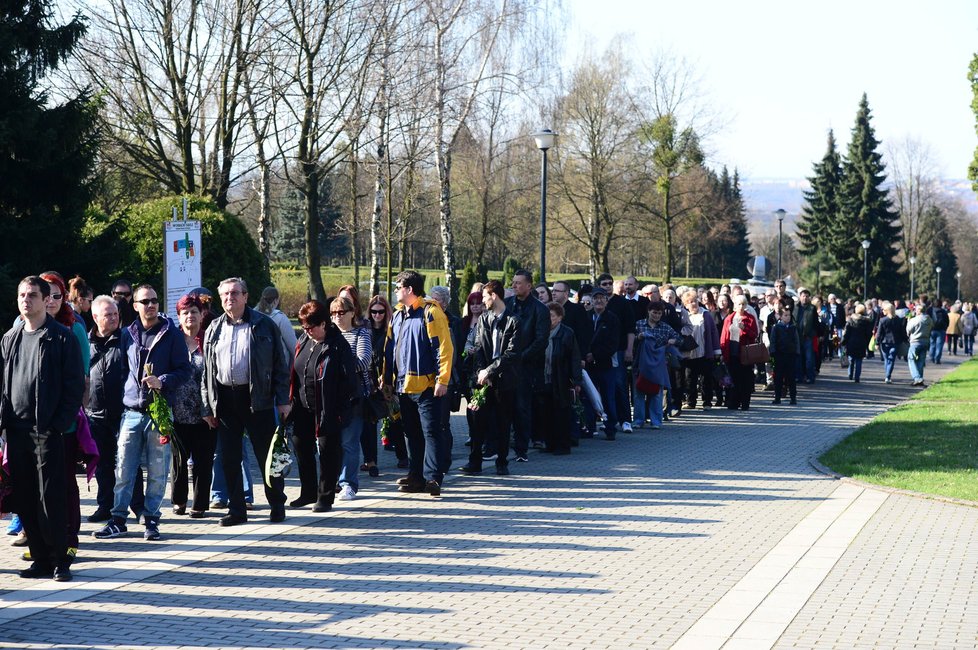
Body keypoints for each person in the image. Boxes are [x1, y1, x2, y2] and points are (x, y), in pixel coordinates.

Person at [1, 277, 84, 582]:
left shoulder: (62, 338)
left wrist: (58, 425)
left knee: (51, 498)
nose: (26, 300)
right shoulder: (10, 338)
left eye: (32, 295)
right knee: (24, 498)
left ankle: (60, 560)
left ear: (46, 299)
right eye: (22, 295)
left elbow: (74, 387)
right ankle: (40, 559)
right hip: (16, 430)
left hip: (46, 431)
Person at [93, 284, 191, 542]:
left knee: (158, 470)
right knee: (124, 467)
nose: (151, 305)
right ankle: (118, 520)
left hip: (159, 412)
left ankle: (151, 519)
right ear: (135, 306)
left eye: (154, 300)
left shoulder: (172, 333)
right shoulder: (128, 333)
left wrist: (164, 380)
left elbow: (185, 370)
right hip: (132, 412)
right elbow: (122, 370)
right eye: (145, 301)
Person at [201, 277, 291, 526]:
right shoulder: (214, 328)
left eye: (235, 293)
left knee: (267, 456)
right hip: (225, 400)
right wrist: (207, 406)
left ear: (246, 296)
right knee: (229, 458)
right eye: (225, 295)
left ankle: (276, 504)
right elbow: (206, 372)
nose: (230, 298)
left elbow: (280, 365)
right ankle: (237, 510)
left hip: (258, 398)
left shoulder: (264, 324)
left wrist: (283, 400)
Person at [384, 270, 454, 496]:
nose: (395, 291)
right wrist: (386, 380)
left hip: (427, 386)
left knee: (431, 431)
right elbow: (389, 349)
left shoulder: (431, 312)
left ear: (409, 289)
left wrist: (442, 380)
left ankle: (433, 477)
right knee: (411, 433)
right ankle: (416, 476)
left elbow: (444, 348)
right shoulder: (397, 315)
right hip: (403, 387)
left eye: (398, 287)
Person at [289, 300, 358, 512]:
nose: (307, 331)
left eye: (311, 327)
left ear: (324, 324)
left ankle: (325, 496)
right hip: (302, 406)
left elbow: (349, 382)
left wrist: (340, 410)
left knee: (328, 452)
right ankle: (307, 491)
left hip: (328, 408)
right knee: (301, 446)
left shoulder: (337, 345)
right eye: (304, 327)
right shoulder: (303, 340)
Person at [86, 295, 144, 523]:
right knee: (102, 464)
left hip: (123, 412)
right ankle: (105, 506)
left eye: (115, 314)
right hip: (95, 414)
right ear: (95, 317)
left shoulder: (126, 339)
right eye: (107, 315)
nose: (112, 318)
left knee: (129, 463)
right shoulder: (87, 343)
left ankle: (139, 507)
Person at [460, 280, 522, 475]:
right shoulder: (484, 320)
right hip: (484, 379)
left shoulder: (514, 321)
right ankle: (475, 461)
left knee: (504, 422)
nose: (483, 300)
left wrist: (491, 370)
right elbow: (478, 348)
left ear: (494, 296)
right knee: (478, 421)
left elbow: (512, 353)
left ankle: (502, 462)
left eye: (485, 296)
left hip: (505, 379)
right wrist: (481, 372)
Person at [168, 294, 216, 518]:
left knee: (203, 461)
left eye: (194, 312)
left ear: (201, 314)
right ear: (178, 316)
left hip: (204, 414)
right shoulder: (172, 341)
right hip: (177, 412)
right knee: (178, 461)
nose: (190, 316)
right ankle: (179, 501)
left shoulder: (209, 341)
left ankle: (200, 504)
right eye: (185, 312)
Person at [330, 295, 372, 501]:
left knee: (349, 441)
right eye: (333, 313)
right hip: (330, 397)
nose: (337, 317)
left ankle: (348, 483)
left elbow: (364, 362)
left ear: (352, 313)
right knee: (331, 442)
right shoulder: (328, 335)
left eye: (341, 312)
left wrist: (337, 369)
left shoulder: (361, 333)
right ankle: (334, 480)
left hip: (354, 396)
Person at [505, 270, 549, 459]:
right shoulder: (507, 305)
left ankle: (522, 448)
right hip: (506, 365)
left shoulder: (540, 309)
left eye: (519, 283)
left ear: (529, 286)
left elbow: (541, 340)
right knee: (504, 407)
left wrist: (520, 357)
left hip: (526, 366)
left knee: (522, 407)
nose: (515, 286)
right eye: (513, 283)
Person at [532, 302, 581, 455]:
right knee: (545, 413)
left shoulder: (567, 333)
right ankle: (550, 443)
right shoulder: (540, 332)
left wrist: (576, 380)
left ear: (560, 318)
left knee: (561, 413)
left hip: (561, 378)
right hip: (543, 378)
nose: (549, 319)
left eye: (552, 316)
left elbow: (574, 357)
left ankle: (563, 445)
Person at [632, 301, 678, 429]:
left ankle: (656, 421)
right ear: (649, 311)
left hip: (658, 365)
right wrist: (639, 337)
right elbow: (631, 340)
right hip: (640, 364)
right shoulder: (639, 324)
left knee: (656, 393)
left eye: (659, 313)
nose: (656, 315)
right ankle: (638, 421)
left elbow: (678, 338)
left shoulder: (665, 327)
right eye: (654, 312)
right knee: (639, 392)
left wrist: (672, 340)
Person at [362, 295, 393, 476]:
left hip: (387, 378)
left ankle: (402, 454)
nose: (377, 315)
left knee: (393, 418)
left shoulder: (390, 330)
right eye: (374, 311)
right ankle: (371, 460)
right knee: (370, 421)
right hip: (370, 381)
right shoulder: (365, 329)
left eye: (381, 311)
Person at [584, 287, 620, 439]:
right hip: (588, 365)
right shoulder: (586, 317)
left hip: (606, 365)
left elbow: (613, 343)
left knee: (608, 397)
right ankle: (590, 427)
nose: (598, 301)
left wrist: (596, 355)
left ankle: (610, 427)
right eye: (595, 298)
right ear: (591, 301)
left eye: (602, 298)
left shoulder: (612, 319)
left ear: (606, 300)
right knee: (588, 397)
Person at [679, 290, 720, 410]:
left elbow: (713, 333)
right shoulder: (684, 315)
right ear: (686, 305)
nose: (693, 304)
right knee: (690, 378)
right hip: (689, 353)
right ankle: (691, 401)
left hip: (704, 352)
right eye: (690, 302)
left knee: (706, 378)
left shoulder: (705, 314)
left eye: (695, 301)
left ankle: (707, 402)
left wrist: (716, 351)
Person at [720, 295, 759, 411]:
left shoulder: (750, 318)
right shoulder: (729, 318)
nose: (741, 307)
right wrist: (722, 352)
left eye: (743, 304)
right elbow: (723, 336)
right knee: (733, 379)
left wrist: (745, 328)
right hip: (732, 352)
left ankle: (745, 403)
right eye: (738, 304)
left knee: (745, 379)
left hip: (745, 354)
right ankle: (733, 402)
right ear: (734, 305)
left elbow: (755, 334)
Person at [256, 286, 298, 357]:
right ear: (276, 300)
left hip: (256, 363)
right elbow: (293, 346)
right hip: (277, 364)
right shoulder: (280, 318)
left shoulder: (253, 315)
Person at [768, 308, 799, 404]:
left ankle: (793, 398)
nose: (788, 317)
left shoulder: (793, 328)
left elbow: (796, 341)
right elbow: (772, 341)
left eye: (789, 315)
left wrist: (797, 352)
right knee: (778, 377)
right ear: (780, 317)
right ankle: (777, 397)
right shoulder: (776, 327)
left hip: (790, 355)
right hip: (779, 355)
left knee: (791, 377)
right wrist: (773, 352)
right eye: (785, 315)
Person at [875, 302, 906, 384]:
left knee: (886, 359)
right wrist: (905, 340)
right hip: (895, 342)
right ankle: (888, 376)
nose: (883, 311)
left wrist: (877, 343)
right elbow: (902, 331)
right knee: (891, 359)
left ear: (887, 311)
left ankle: (887, 375)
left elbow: (879, 333)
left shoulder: (883, 320)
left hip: (885, 342)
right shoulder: (899, 320)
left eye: (884, 310)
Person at [842, 304, 874, 382]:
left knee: (851, 359)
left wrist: (843, 341)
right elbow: (868, 333)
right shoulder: (866, 321)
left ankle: (850, 374)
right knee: (859, 360)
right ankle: (857, 377)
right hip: (861, 342)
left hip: (851, 342)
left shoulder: (851, 320)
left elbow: (847, 332)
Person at [793, 289, 818, 384]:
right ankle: (798, 377)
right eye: (803, 296)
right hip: (797, 336)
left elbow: (815, 323)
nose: (805, 298)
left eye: (807, 296)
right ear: (800, 296)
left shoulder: (812, 308)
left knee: (809, 359)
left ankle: (810, 377)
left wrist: (813, 334)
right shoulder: (795, 307)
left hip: (808, 337)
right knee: (798, 358)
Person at [906, 303, 933, 386]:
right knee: (921, 360)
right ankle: (920, 377)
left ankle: (917, 378)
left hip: (915, 341)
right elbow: (932, 327)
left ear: (918, 310)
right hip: (925, 341)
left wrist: (908, 321)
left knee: (911, 359)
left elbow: (908, 330)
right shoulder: (929, 319)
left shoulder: (914, 320)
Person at [927, 300, 949, 364]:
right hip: (941, 330)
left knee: (932, 344)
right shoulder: (943, 311)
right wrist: (945, 328)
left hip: (932, 329)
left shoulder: (930, 310)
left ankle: (931, 357)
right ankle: (937, 358)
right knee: (939, 345)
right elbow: (947, 321)